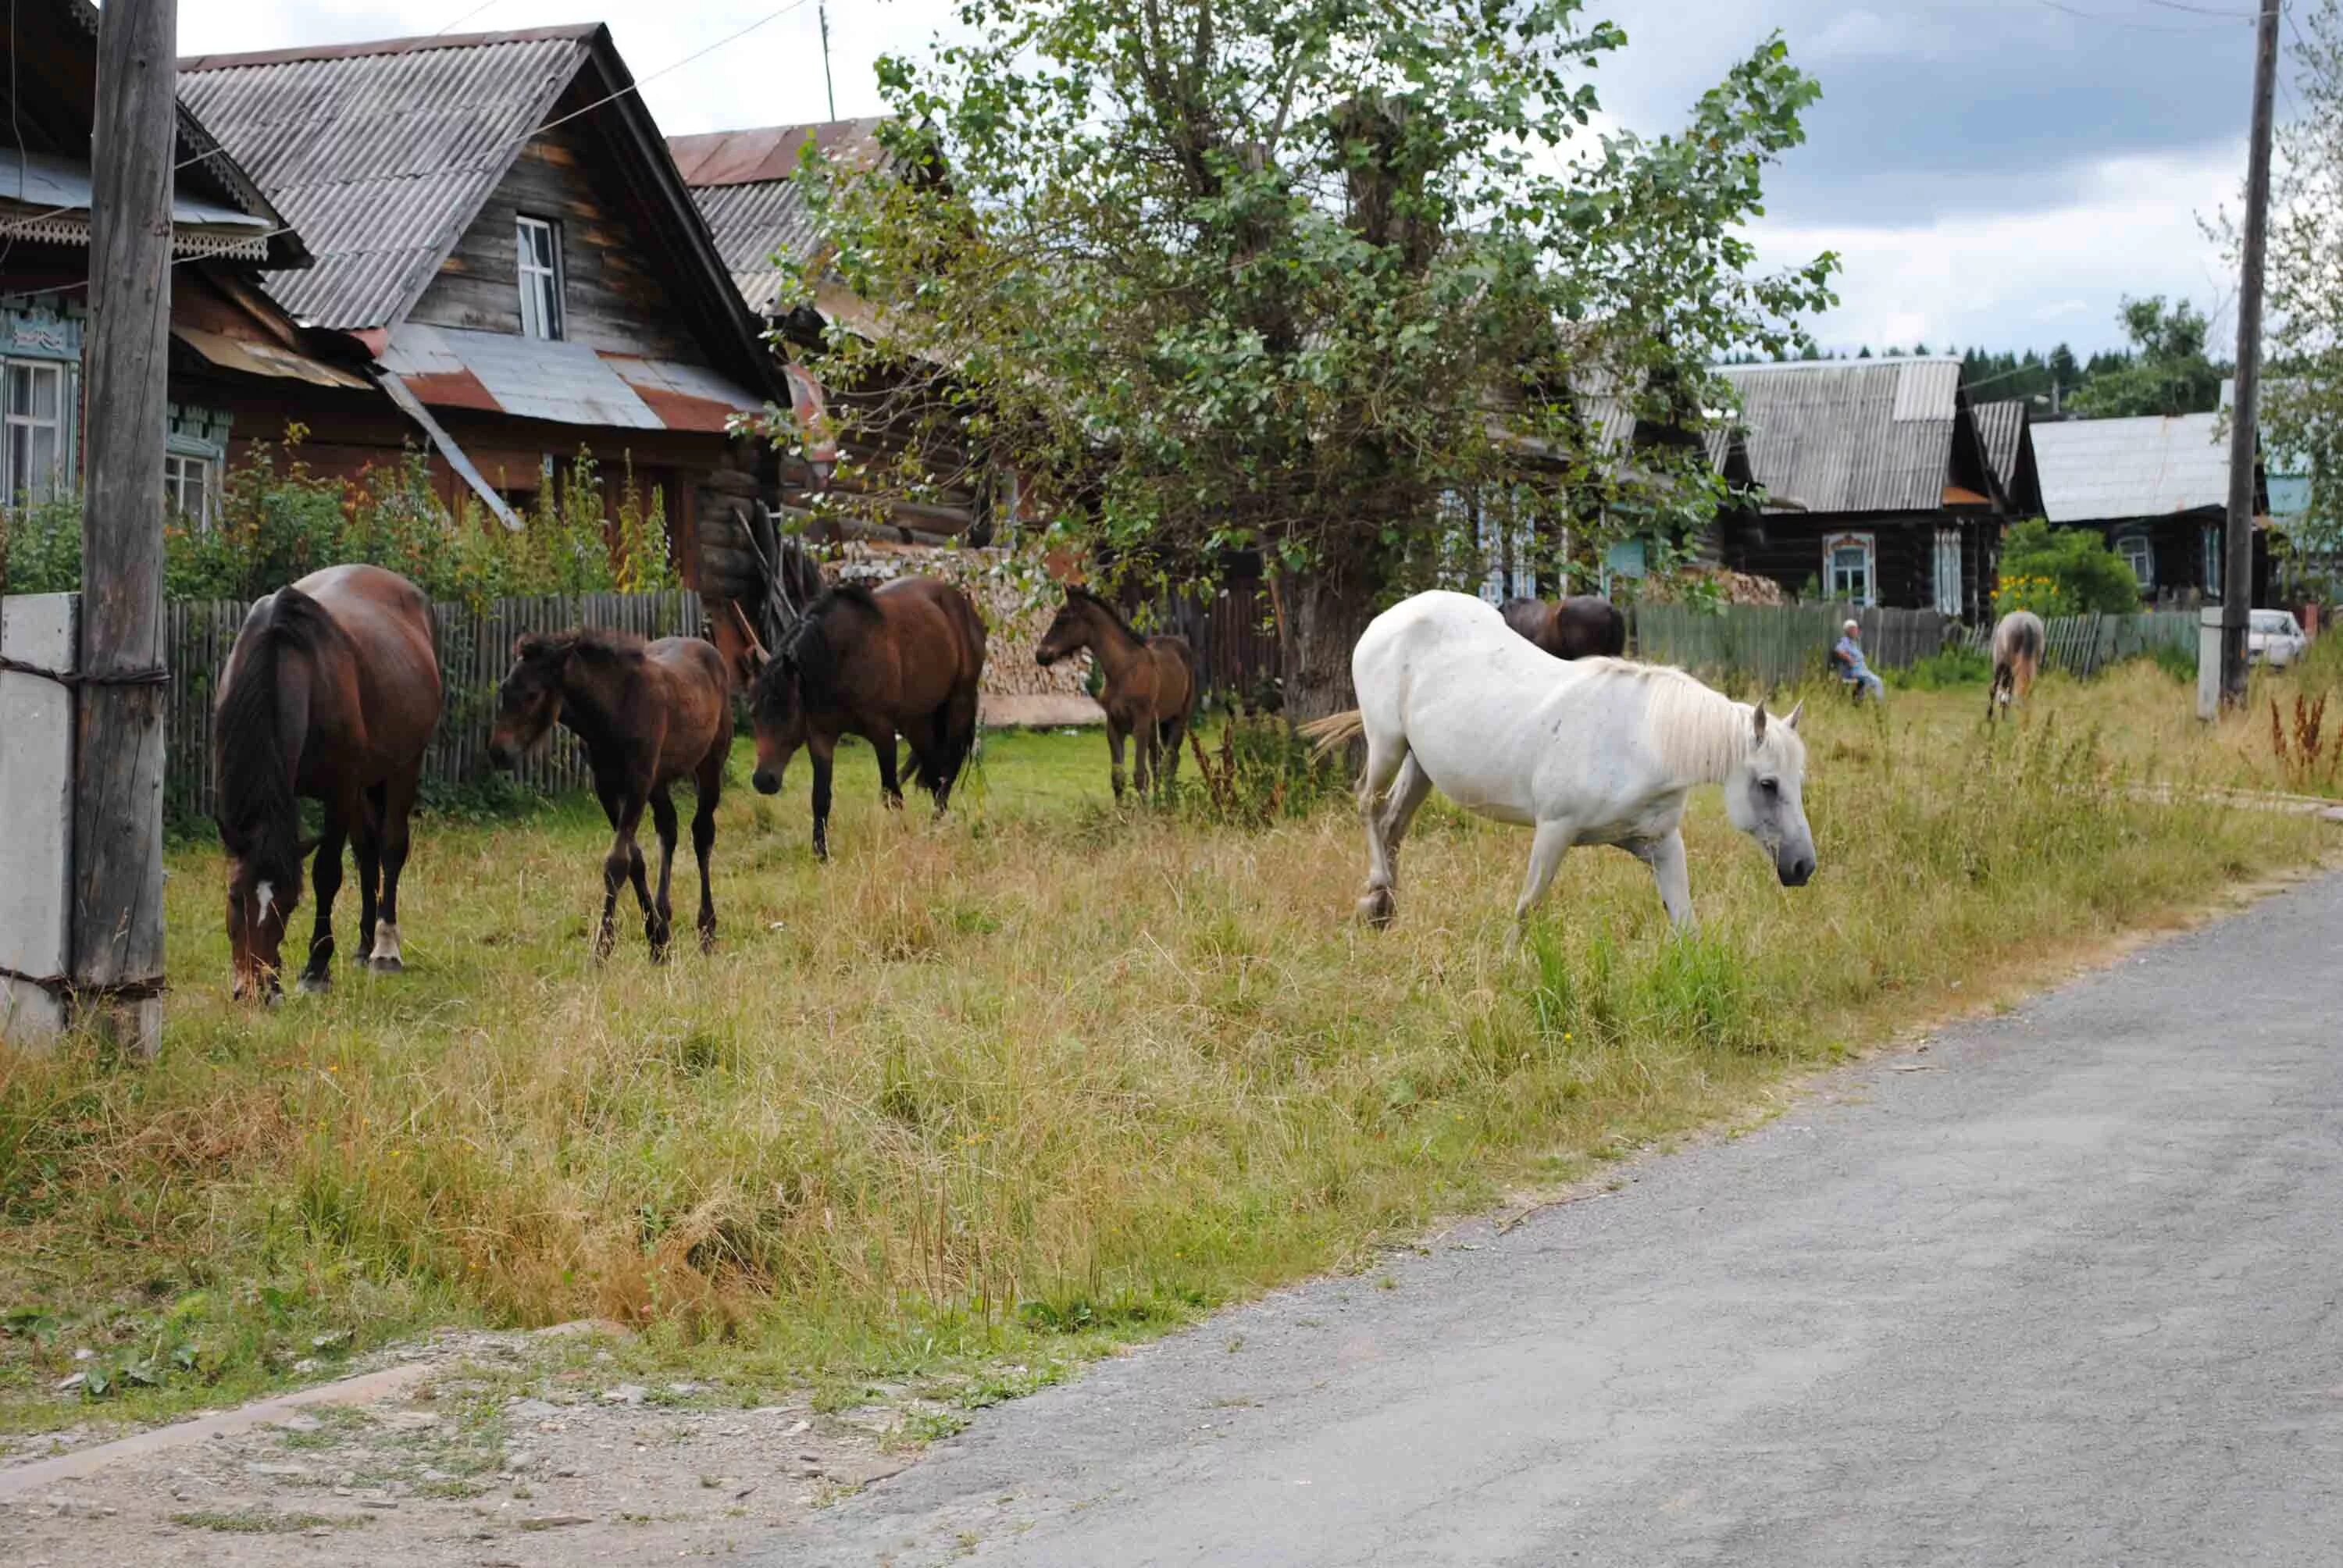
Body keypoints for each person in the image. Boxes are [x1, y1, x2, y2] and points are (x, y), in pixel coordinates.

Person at [1831, 618, 1885, 701]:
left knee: (1876, 681)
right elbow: (1838, 650)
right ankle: (1878, 707)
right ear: (1848, 630)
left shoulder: (1854, 643)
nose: (1856, 631)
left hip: (1862, 671)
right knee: (1877, 681)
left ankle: (1859, 701)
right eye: (1854, 629)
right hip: (1853, 672)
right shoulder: (1846, 641)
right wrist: (1849, 659)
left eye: (1856, 629)